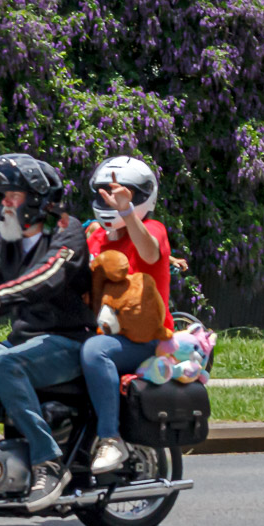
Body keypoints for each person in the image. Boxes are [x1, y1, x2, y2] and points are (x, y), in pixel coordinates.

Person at [0, 153, 94, 510]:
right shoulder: (10, 241)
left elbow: (48, 276)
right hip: (27, 341)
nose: (5, 203)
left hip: (69, 341)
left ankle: (47, 461)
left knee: (4, 365)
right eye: (3, 196)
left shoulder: (67, 229)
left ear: (37, 199)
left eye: (14, 195)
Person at [80, 156, 171, 475]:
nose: (111, 200)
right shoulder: (95, 237)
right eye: (105, 193)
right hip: (100, 330)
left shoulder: (152, 229)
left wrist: (127, 212)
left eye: (122, 193)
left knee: (95, 351)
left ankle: (111, 439)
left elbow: (149, 252)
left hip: (143, 339)